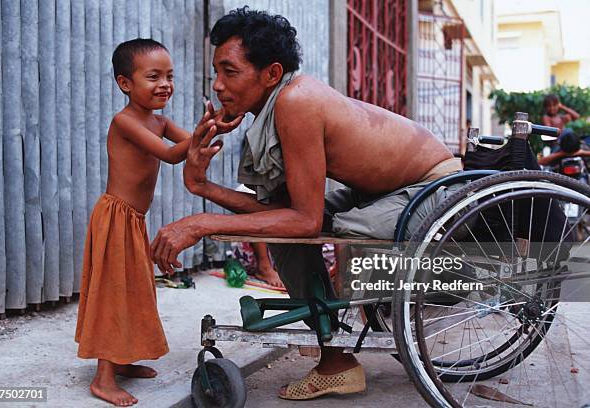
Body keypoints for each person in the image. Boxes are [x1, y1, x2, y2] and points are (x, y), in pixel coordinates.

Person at [151, 8, 461, 400]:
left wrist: (200, 224)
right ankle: (336, 364)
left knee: (341, 227)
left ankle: (348, 334)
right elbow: (283, 219)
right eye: (217, 72)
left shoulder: (295, 102)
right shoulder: (280, 103)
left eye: (230, 72)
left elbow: (304, 221)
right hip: (385, 191)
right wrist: (201, 186)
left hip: (434, 187)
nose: (217, 85)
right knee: (291, 231)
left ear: (271, 74)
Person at [74, 38, 241, 407]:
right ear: (125, 83)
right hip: (115, 217)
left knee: (135, 289)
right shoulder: (125, 121)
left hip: (134, 220)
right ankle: (103, 378)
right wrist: (202, 132)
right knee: (114, 293)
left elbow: (192, 147)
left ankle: (122, 359)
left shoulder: (159, 120)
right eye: (153, 76)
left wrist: (216, 128)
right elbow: (170, 154)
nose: (165, 83)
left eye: (169, 76)